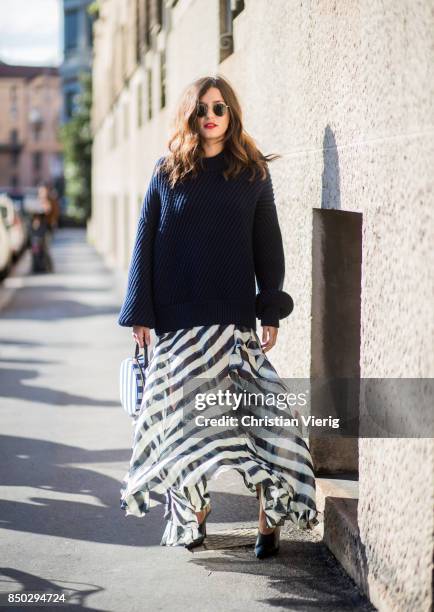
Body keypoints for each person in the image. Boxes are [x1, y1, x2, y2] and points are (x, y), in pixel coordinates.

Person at [118, 75, 319, 558]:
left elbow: (268, 245)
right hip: (176, 326)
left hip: (232, 326)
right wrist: (140, 313)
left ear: (232, 115)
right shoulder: (167, 172)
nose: (211, 115)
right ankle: (195, 515)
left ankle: (271, 513)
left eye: (220, 107)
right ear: (190, 115)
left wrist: (270, 305)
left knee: (263, 419)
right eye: (203, 108)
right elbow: (145, 241)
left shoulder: (251, 173)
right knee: (183, 428)